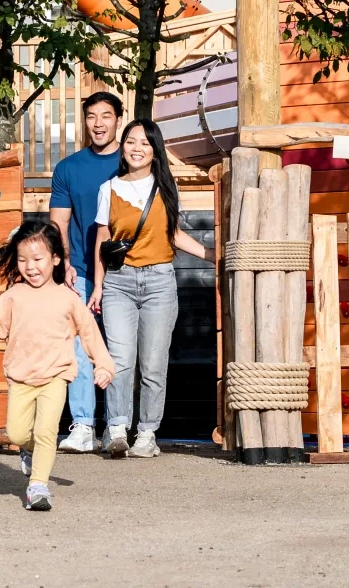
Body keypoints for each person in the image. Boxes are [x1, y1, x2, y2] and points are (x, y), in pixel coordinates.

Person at [0, 221, 114, 511]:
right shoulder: (14, 296)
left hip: (56, 376)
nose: (31, 267)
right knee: (16, 433)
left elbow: (89, 332)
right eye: (23, 260)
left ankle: (38, 486)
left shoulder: (68, 298)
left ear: (55, 259)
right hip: (21, 378)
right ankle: (27, 450)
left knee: (46, 431)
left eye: (38, 259)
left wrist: (103, 365)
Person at [90, 119, 215, 458]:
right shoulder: (109, 189)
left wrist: (211, 255)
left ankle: (147, 433)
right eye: (131, 141)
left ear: (155, 150)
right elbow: (103, 240)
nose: (136, 148)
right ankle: (116, 429)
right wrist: (98, 286)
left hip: (160, 281)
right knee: (120, 359)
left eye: (144, 143)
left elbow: (173, 234)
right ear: (123, 146)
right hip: (119, 282)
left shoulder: (166, 188)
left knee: (154, 363)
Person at [48, 91, 123, 453]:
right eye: (92, 116)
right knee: (78, 349)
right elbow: (58, 221)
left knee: (119, 348)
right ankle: (82, 425)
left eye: (105, 116)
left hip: (124, 273)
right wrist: (63, 265)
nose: (98, 124)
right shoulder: (68, 168)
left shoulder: (134, 161)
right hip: (78, 270)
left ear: (118, 121)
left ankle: (118, 426)